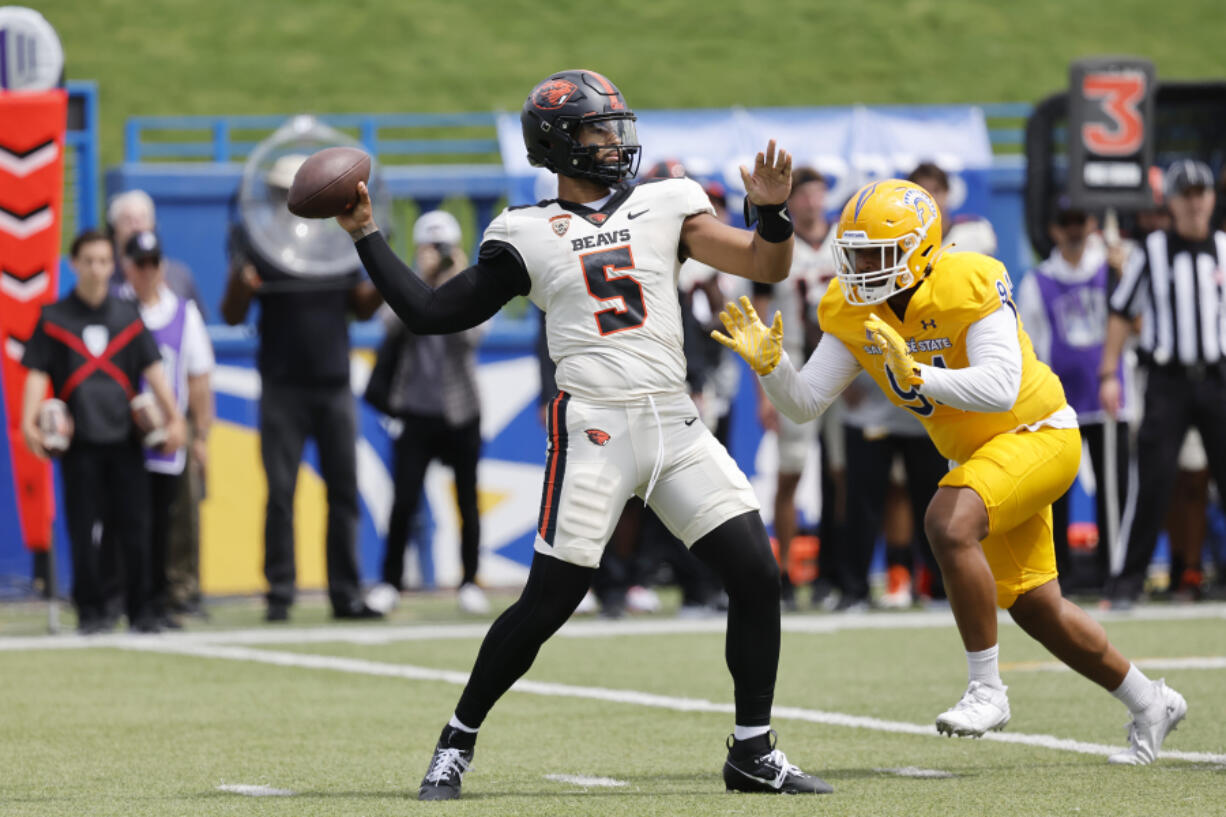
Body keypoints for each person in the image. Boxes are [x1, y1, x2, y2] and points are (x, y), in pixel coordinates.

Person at [339, 69, 830, 798]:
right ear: (559, 144)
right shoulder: (525, 232)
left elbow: (765, 262)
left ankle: (753, 750)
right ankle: (457, 738)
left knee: (756, 573)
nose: (614, 139)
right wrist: (366, 234)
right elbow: (430, 312)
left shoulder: (670, 203)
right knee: (548, 602)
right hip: (595, 425)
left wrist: (772, 213)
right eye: (598, 129)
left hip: (673, 414)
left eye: (614, 126)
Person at [715, 179, 1188, 765]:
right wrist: (772, 368)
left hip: (1037, 435)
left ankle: (987, 688)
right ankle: (1151, 701)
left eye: (874, 255)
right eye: (853, 252)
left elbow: (999, 386)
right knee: (1040, 609)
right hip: (984, 460)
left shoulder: (965, 279)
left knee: (947, 520)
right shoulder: (851, 306)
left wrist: (916, 375)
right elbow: (806, 401)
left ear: (918, 250)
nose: (860, 266)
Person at [220, 155, 385, 622]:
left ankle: (345, 593)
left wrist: (381, 267)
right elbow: (232, 313)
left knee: (344, 493)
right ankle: (280, 592)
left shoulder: (334, 247)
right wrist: (243, 280)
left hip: (333, 386)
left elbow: (362, 307)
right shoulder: (259, 244)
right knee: (280, 493)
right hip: (282, 387)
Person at [20, 229, 186, 633]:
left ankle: (142, 610)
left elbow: (154, 372)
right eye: (88, 261)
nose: (96, 268)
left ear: (113, 266)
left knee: (136, 528)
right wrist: (28, 425)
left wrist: (175, 418)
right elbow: (37, 376)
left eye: (103, 261)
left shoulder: (128, 317)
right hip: (79, 444)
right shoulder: (54, 318)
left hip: (126, 441)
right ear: (74, 265)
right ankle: (91, 611)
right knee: (83, 529)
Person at [1101, 159, 1226, 608]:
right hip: (1167, 379)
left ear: (1212, 198)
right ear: (1171, 202)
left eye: (1201, 193)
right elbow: (1120, 310)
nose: (1194, 203)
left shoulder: (1225, 249)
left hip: (1217, 378)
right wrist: (1107, 372)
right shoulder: (1152, 251)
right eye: (1186, 194)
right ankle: (1127, 583)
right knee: (1151, 481)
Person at [373, 209, 488, 614]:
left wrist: (454, 283)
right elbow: (389, 324)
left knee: (467, 501)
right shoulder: (411, 283)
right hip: (415, 408)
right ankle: (389, 582)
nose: (436, 255)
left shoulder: (470, 285)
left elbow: (473, 336)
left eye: (442, 249)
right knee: (404, 500)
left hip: (461, 410)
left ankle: (470, 580)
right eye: (430, 248)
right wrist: (422, 283)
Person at [1016, 197, 1128, 593]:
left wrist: (1124, 271)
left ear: (1092, 223)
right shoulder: (1039, 280)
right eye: (1066, 222)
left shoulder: (1113, 269)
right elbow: (1028, 340)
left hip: (1108, 396)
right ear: (1053, 230)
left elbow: (1135, 321)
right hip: (1059, 402)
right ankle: (1057, 571)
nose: (1074, 229)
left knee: (1114, 487)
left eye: (1080, 220)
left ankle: (1113, 568)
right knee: (1055, 489)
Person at [118, 230, 215, 628]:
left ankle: (173, 596)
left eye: (153, 262)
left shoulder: (182, 312)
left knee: (174, 517)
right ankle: (127, 597)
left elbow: (199, 378)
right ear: (127, 267)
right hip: (123, 434)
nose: (147, 271)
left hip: (170, 432)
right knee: (128, 518)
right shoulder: (116, 311)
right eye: (139, 263)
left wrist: (200, 435)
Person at [751, 167, 825, 610]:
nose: (813, 202)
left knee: (842, 473)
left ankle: (832, 575)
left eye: (818, 193)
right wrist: (766, 391)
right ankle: (784, 570)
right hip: (792, 367)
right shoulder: (780, 245)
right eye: (805, 194)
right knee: (790, 471)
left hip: (842, 368)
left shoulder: (844, 239)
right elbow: (759, 320)